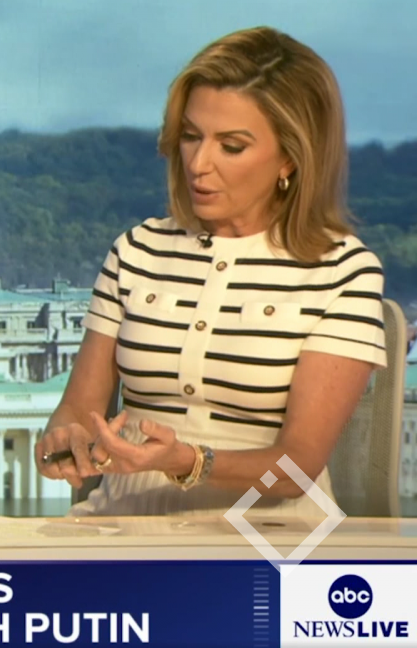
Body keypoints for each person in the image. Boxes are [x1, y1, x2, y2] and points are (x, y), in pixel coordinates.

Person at [35, 27, 387, 517]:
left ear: (290, 157)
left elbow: (297, 469)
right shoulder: (137, 250)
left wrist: (188, 461)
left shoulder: (343, 271)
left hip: (267, 537)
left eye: (232, 146)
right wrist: (65, 437)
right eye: (190, 137)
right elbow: (77, 408)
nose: (199, 163)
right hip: (122, 524)